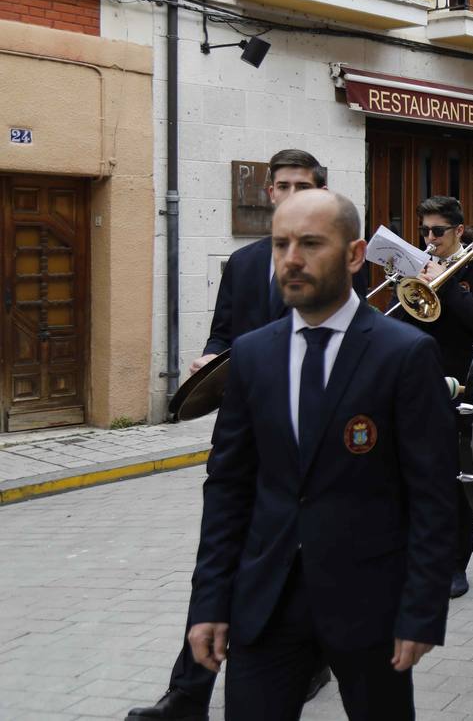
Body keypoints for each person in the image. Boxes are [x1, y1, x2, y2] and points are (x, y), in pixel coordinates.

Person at [186, 189, 458, 721]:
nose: (291, 259)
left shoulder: (404, 354)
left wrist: (422, 609)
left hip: (369, 607)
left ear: (355, 255)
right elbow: (228, 488)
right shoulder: (251, 355)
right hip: (266, 603)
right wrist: (209, 601)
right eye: (280, 244)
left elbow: (432, 493)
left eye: (310, 244)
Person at [127, 149, 338, 721]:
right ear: (268, 193)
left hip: (312, 438)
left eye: (302, 185)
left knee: (304, 557)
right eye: (282, 185)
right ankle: (188, 692)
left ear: (320, 192)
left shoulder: (339, 258)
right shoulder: (243, 263)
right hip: (244, 436)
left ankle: (312, 660)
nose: (290, 194)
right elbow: (224, 333)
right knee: (220, 554)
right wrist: (209, 358)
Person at [390, 195, 473, 597]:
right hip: (416, 382)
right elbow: (402, 322)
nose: (430, 239)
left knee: (453, 480)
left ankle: (456, 564)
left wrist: (447, 281)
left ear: (458, 231)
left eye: (438, 231)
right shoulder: (417, 264)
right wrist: (402, 283)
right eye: (424, 231)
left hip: (459, 383)